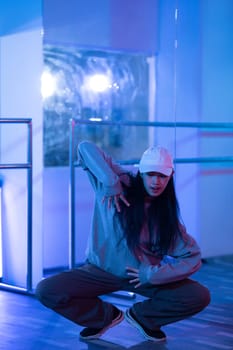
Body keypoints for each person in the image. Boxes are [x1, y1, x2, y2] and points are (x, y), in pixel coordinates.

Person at [36, 140, 210, 342]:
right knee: (46, 290)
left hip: (140, 277)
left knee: (199, 295)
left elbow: (192, 256)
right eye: (151, 174)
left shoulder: (166, 216)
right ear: (141, 172)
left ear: (170, 176)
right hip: (101, 271)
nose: (156, 182)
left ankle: (144, 317)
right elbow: (85, 148)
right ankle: (103, 318)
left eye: (162, 176)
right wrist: (111, 182)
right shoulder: (117, 183)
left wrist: (153, 275)